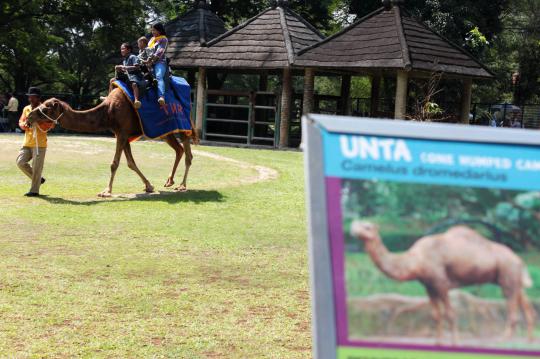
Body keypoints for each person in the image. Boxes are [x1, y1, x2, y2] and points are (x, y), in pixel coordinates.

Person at [16, 87, 55, 197]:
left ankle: (34, 190)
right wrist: (25, 125)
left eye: (32, 97)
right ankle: (39, 179)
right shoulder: (26, 108)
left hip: (40, 144)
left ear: (38, 98)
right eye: (29, 97)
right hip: (27, 143)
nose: (30, 99)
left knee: (37, 167)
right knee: (20, 162)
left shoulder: (45, 109)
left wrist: (38, 121)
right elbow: (21, 122)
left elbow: (51, 125)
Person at [106, 43, 147, 109]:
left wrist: (125, 67)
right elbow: (125, 70)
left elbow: (137, 67)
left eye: (123, 49)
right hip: (128, 76)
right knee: (112, 80)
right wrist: (120, 69)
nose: (121, 50)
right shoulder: (125, 60)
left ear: (129, 50)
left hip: (135, 76)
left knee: (134, 84)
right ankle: (109, 97)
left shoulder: (132, 57)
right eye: (121, 49)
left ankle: (136, 100)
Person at [148, 23, 169, 106]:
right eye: (152, 30)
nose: (152, 31)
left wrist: (151, 60)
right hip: (148, 62)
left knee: (159, 76)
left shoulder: (163, 39)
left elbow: (160, 51)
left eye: (154, 30)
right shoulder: (151, 40)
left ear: (159, 30)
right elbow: (147, 50)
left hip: (159, 62)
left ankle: (161, 97)